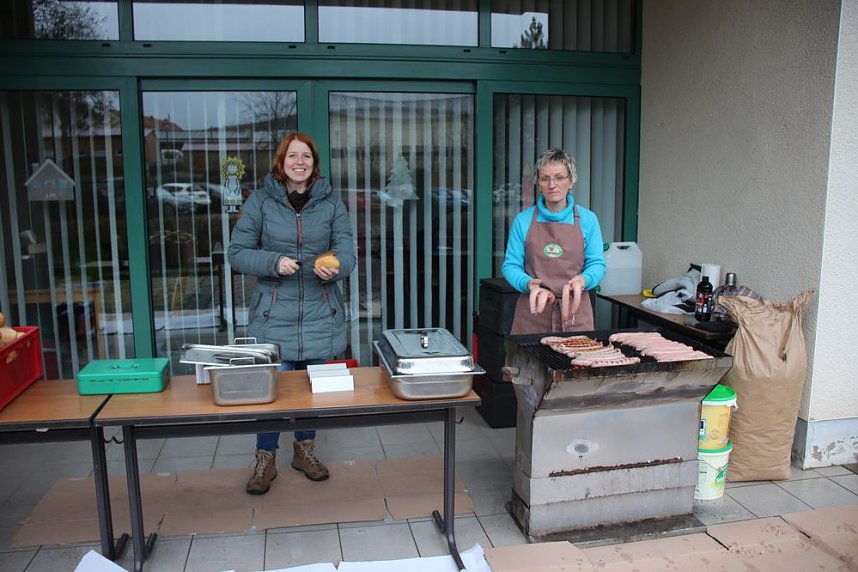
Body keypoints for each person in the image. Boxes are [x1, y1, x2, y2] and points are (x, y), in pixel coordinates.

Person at [228, 132, 356, 495]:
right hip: (273, 316)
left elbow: (348, 251)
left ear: (314, 163)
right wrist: (273, 261)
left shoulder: (331, 203)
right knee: (273, 392)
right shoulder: (261, 202)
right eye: (292, 157)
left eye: (306, 157)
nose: (299, 162)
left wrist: (337, 267)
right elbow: (237, 252)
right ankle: (265, 458)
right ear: (281, 163)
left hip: (320, 312)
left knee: (312, 389)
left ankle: (305, 451)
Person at [502, 148, 606, 334]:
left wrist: (584, 280)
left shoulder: (588, 220)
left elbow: (597, 263)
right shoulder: (523, 220)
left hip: (575, 312)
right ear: (538, 183)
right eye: (545, 178)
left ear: (571, 180)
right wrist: (528, 283)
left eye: (559, 177)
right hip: (532, 312)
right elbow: (510, 265)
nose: (552, 185)